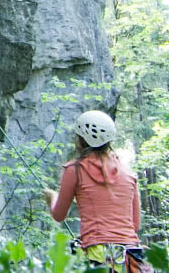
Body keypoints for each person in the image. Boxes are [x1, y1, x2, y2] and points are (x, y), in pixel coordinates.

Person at [42, 110, 149, 272]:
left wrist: (52, 197)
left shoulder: (75, 170)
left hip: (98, 255)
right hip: (131, 257)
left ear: (81, 140)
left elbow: (59, 215)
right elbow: (135, 224)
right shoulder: (127, 171)